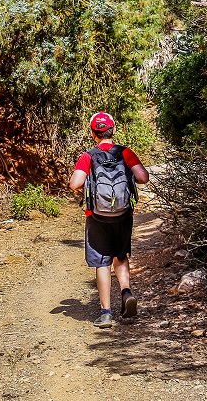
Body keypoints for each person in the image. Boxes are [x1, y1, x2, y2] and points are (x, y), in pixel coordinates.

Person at [69, 112, 150, 328]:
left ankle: (106, 314)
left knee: (102, 263)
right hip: (123, 216)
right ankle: (126, 292)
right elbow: (143, 178)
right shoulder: (125, 152)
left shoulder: (88, 156)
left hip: (96, 217)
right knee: (120, 257)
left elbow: (75, 183)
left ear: (93, 133)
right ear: (112, 130)